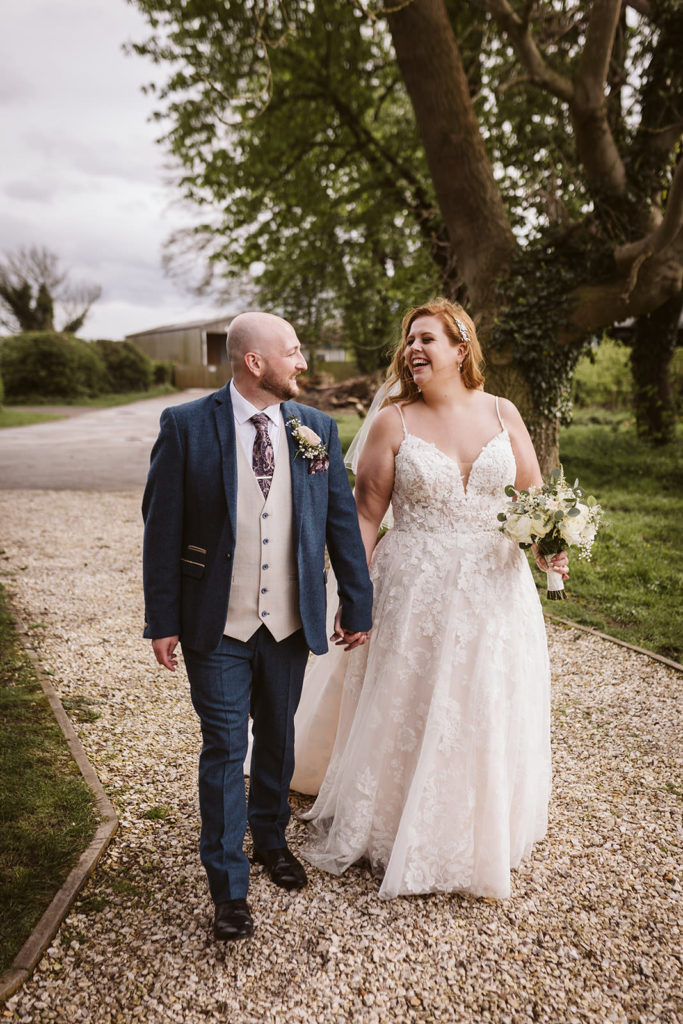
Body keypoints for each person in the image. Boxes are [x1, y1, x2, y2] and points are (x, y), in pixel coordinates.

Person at [295, 298, 568, 900]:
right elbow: (367, 514)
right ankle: (395, 824)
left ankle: (478, 831)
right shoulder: (395, 421)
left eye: (428, 339)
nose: (414, 350)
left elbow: (534, 496)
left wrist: (554, 542)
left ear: (461, 348)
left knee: (485, 695)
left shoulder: (503, 412)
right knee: (412, 700)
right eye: (410, 341)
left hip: (496, 584)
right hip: (413, 584)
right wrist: (352, 592)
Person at [142, 312, 373, 941]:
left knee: (277, 736)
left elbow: (340, 527)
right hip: (216, 624)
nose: (302, 363)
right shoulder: (187, 427)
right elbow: (160, 530)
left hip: (291, 622)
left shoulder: (317, 429)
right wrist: (161, 618)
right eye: (293, 353)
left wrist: (358, 599)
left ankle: (270, 838)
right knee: (224, 747)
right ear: (255, 362)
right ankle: (227, 884)